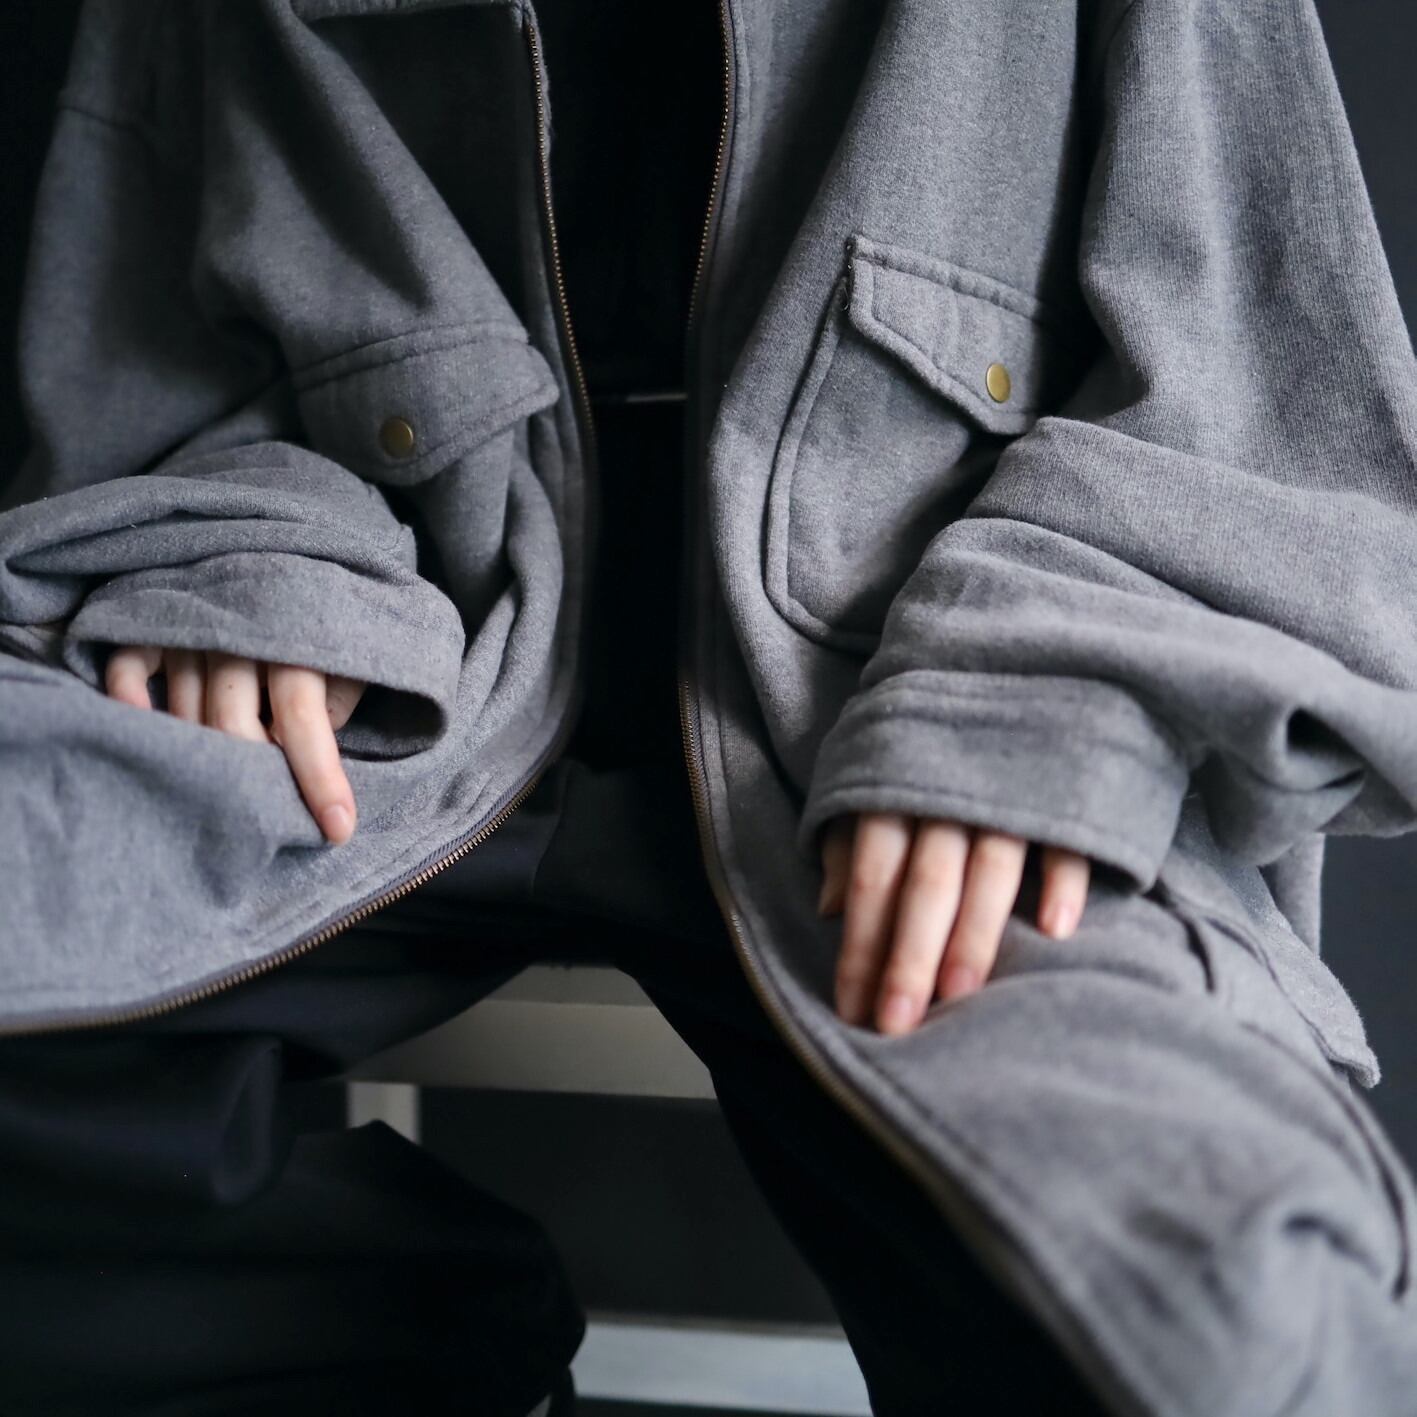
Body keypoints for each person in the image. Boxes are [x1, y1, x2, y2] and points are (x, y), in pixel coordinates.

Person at [3, 2, 1417, 1414]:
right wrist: (246, 547)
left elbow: (1268, 385)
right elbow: (153, 290)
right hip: (399, 649)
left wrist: (1037, 687)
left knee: (1223, 1295)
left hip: (914, 690)